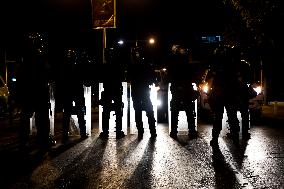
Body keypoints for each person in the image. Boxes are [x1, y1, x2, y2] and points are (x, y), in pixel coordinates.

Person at [17, 31, 53, 152]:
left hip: (28, 91)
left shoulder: (24, 58)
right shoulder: (40, 56)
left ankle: (24, 141)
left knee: (26, 117)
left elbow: (20, 76)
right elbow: (47, 74)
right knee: (41, 118)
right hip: (39, 91)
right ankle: (42, 140)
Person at [207, 46, 241, 147]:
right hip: (229, 94)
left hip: (219, 94)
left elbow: (211, 77)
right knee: (232, 117)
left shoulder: (216, 65)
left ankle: (215, 139)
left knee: (218, 117)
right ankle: (235, 139)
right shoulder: (232, 64)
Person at [56, 48, 87, 143]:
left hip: (68, 93)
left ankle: (65, 135)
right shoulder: (78, 67)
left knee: (67, 114)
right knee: (79, 113)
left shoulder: (64, 67)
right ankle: (82, 133)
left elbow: (61, 82)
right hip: (76, 92)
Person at [167, 44, 199, 138]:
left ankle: (173, 131)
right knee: (189, 111)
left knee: (175, 111)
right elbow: (191, 74)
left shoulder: (172, 62)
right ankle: (192, 131)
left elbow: (169, 75)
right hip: (186, 88)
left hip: (176, 88)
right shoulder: (185, 60)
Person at [127, 46, 157, 138]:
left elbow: (128, 78)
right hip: (143, 90)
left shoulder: (132, 65)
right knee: (148, 111)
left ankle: (142, 131)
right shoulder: (145, 64)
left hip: (138, 90)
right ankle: (151, 131)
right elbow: (151, 76)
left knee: (139, 111)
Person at [98, 48, 126, 139]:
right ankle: (118, 131)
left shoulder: (105, 66)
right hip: (116, 90)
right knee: (118, 111)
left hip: (108, 90)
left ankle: (105, 132)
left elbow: (101, 78)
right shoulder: (118, 65)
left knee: (106, 111)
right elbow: (122, 77)